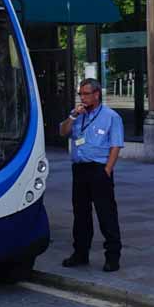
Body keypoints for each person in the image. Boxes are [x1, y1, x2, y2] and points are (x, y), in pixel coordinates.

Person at [59, 78, 124, 272]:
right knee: (80, 214)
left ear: (97, 94)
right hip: (79, 169)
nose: (83, 97)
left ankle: (112, 257)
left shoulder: (111, 116)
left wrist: (107, 170)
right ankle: (80, 253)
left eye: (86, 94)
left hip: (99, 169)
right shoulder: (77, 115)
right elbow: (63, 132)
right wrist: (72, 117)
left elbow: (115, 145)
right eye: (80, 94)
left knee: (106, 214)